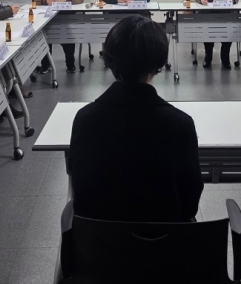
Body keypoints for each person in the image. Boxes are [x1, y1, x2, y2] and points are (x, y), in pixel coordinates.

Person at [68, 14, 203, 222]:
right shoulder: (180, 124)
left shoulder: (85, 119)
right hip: (166, 239)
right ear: (159, 60)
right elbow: (190, 202)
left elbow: (82, 194)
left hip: (101, 240)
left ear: (109, 58)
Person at [33, 0, 84, 73]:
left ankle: (70, 64)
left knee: (68, 40)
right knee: (46, 38)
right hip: (50, 20)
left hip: (67, 19)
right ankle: (46, 65)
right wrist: (46, 0)